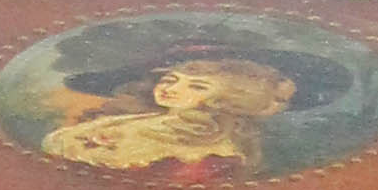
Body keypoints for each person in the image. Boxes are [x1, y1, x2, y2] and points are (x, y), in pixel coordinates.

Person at [39, 52, 297, 178]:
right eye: (170, 79)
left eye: (197, 86)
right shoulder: (139, 119)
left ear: (228, 100)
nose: (172, 89)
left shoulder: (210, 145)